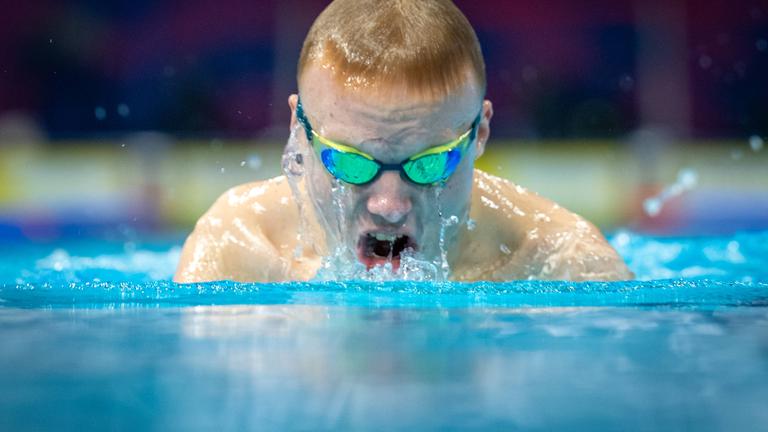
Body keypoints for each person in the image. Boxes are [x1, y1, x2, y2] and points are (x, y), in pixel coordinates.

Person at [174, 0, 633, 283]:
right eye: (351, 163)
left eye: (428, 164)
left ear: (480, 133)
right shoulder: (243, 248)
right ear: (299, 127)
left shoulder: (564, 265)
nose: (389, 206)